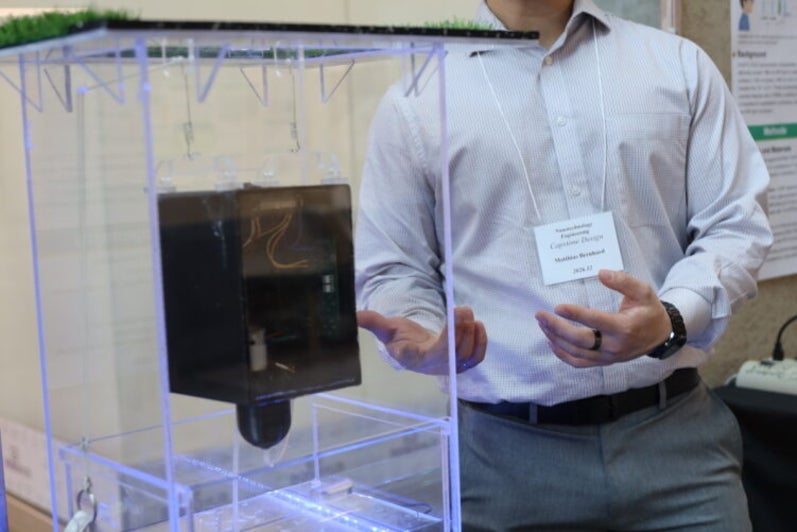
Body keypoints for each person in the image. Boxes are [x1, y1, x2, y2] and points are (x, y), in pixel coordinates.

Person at [355, 0, 773, 530]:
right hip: (502, 464)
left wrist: (671, 316)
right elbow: (396, 267)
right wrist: (429, 337)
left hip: (679, 453)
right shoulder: (417, 96)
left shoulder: (678, 66)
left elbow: (736, 223)